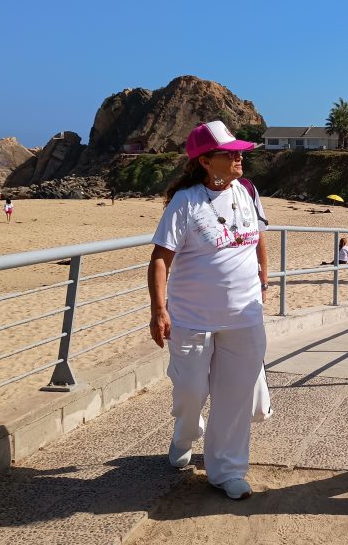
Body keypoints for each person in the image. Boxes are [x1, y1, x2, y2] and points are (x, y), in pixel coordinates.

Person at [147, 120, 268, 501]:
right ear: (204, 161)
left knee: (234, 397)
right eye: (229, 154)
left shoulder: (246, 191)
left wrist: (264, 279)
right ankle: (185, 433)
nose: (238, 158)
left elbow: (258, 238)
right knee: (190, 390)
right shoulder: (185, 203)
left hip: (243, 317)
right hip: (192, 318)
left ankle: (227, 471)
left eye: (238, 153)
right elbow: (160, 259)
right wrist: (159, 310)